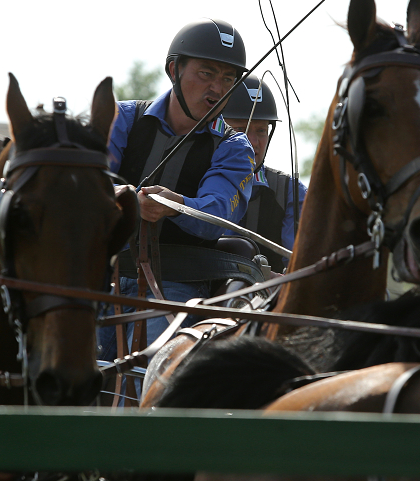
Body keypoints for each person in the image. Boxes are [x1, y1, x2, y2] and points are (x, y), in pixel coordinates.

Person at [101, 18, 256, 356]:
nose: (217, 89)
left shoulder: (234, 148)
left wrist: (176, 205)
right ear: (174, 69)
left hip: (175, 285)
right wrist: (120, 197)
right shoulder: (122, 119)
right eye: (207, 73)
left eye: (228, 79)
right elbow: (89, 185)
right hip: (100, 273)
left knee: (149, 375)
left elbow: (217, 213)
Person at [221, 77, 307, 273]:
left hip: (267, 301)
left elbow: (301, 268)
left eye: (261, 130)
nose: (252, 142)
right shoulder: (193, 178)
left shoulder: (290, 192)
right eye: (240, 129)